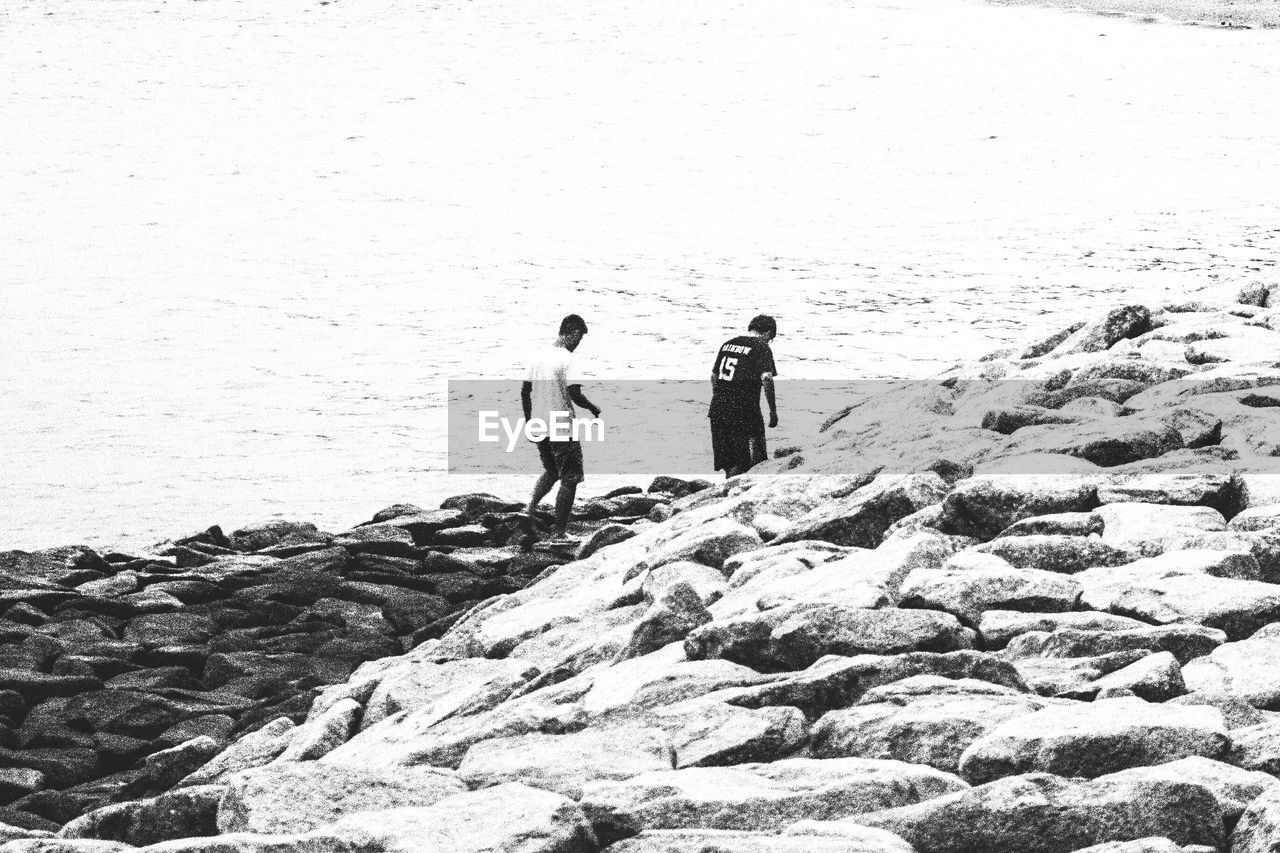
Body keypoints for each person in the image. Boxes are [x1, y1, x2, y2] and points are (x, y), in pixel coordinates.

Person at [522, 314, 601, 540]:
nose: (577, 344)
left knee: (551, 470)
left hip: (539, 423)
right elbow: (574, 394)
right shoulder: (568, 359)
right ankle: (559, 531)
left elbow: (525, 391)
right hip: (561, 425)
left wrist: (529, 421)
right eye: (578, 339)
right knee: (570, 477)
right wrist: (592, 407)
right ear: (572, 332)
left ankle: (529, 510)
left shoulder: (537, 356)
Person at [708, 314, 778, 478]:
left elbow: (713, 376)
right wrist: (773, 411)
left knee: (729, 462)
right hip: (744, 409)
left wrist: (721, 396)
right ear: (768, 333)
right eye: (771, 339)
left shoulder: (728, 344)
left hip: (718, 408)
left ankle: (728, 493)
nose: (769, 342)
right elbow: (767, 378)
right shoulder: (761, 347)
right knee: (755, 456)